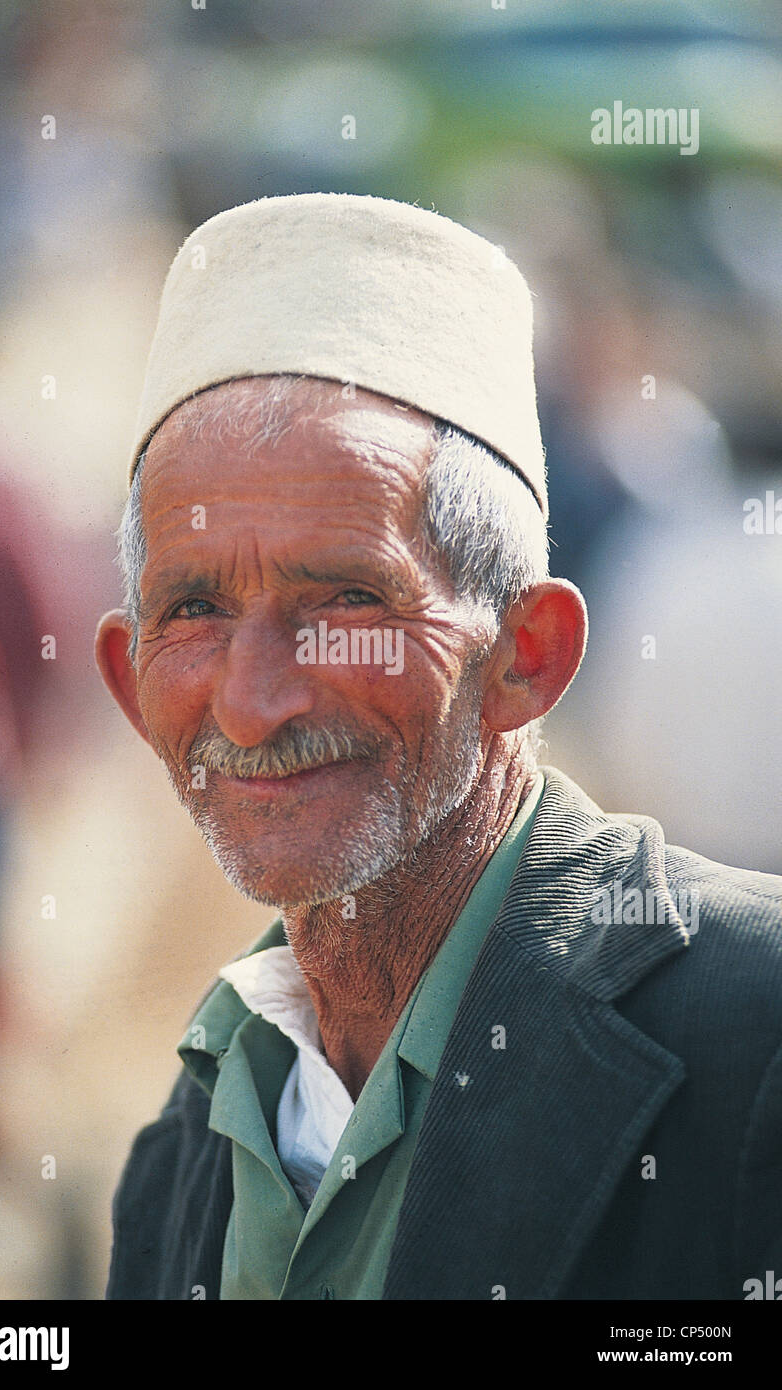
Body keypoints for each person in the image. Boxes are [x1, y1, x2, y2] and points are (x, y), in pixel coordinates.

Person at [95, 193, 782, 1300]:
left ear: (526, 654)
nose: (254, 701)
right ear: (130, 685)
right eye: (194, 612)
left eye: (351, 600)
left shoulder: (758, 1042)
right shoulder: (182, 1157)